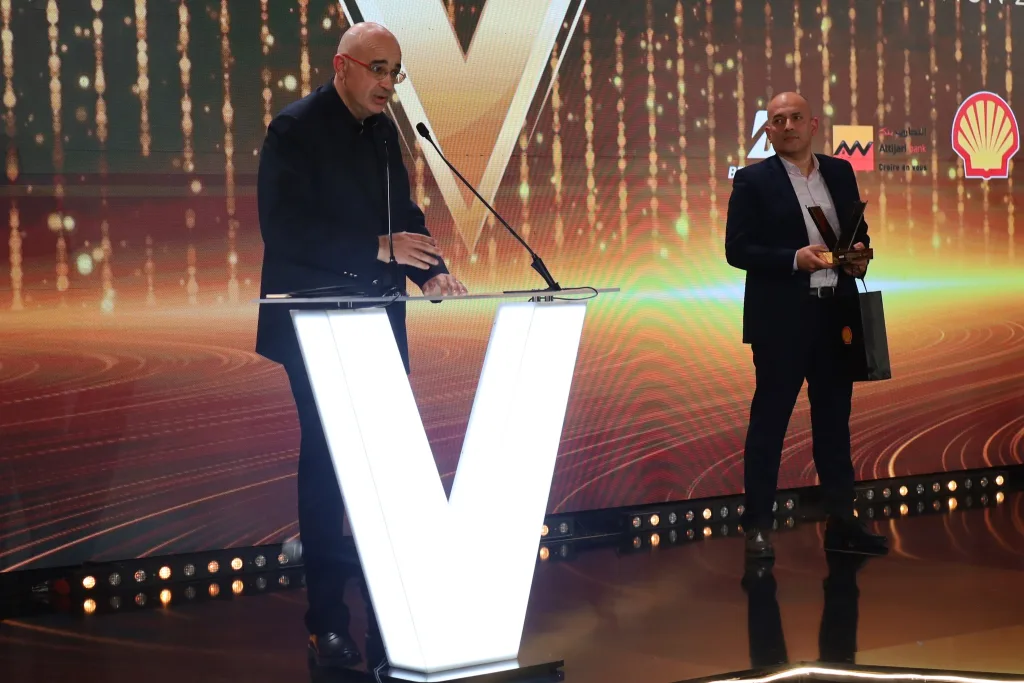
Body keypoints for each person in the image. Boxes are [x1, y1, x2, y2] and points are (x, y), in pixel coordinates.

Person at [255, 22, 468, 667]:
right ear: (341, 65)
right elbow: (285, 230)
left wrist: (430, 271)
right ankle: (327, 622)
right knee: (329, 467)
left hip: (378, 320)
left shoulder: (382, 133)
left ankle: (390, 612)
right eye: (378, 69)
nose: (388, 84)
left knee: (381, 471)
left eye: (395, 72)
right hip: (315, 326)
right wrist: (376, 248)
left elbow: (401, 216)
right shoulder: (294, 129)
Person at [725, 92, 888, 561]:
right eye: (778, 120)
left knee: (834, 424)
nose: (788, 126)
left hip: (836, 315)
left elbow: (856, 233)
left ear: (813, 124)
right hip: (782, 322)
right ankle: (758, 527)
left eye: (796, 117)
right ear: (768, 131)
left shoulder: (839, 171)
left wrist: (859, 255)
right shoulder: (753, 181)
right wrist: (793, 259)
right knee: (769, 425)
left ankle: (842, 523)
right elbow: (737, 250)